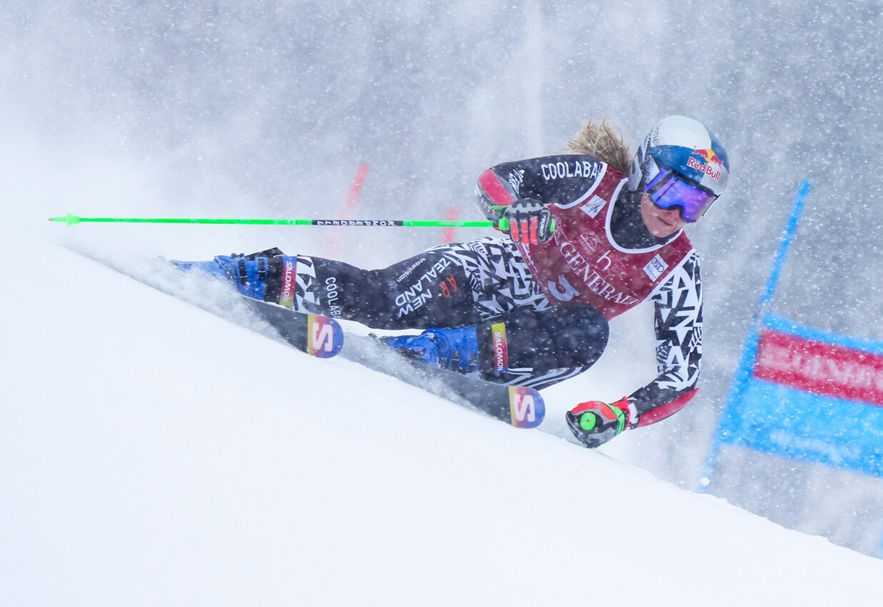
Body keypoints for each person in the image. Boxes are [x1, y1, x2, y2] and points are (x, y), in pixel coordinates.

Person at [177, 115, 730, 448]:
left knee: (589, 331)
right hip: (497, 274)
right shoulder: (592, 182)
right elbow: (497, 181)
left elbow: (681, 378)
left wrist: (620, 414)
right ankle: (245, 274)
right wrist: (514, 211)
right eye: (671, 190)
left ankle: (426, 356)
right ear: (643, 172)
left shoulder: (679, 267)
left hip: (533, 339)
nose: (677, 211)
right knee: (383, 299)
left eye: (697, 202)